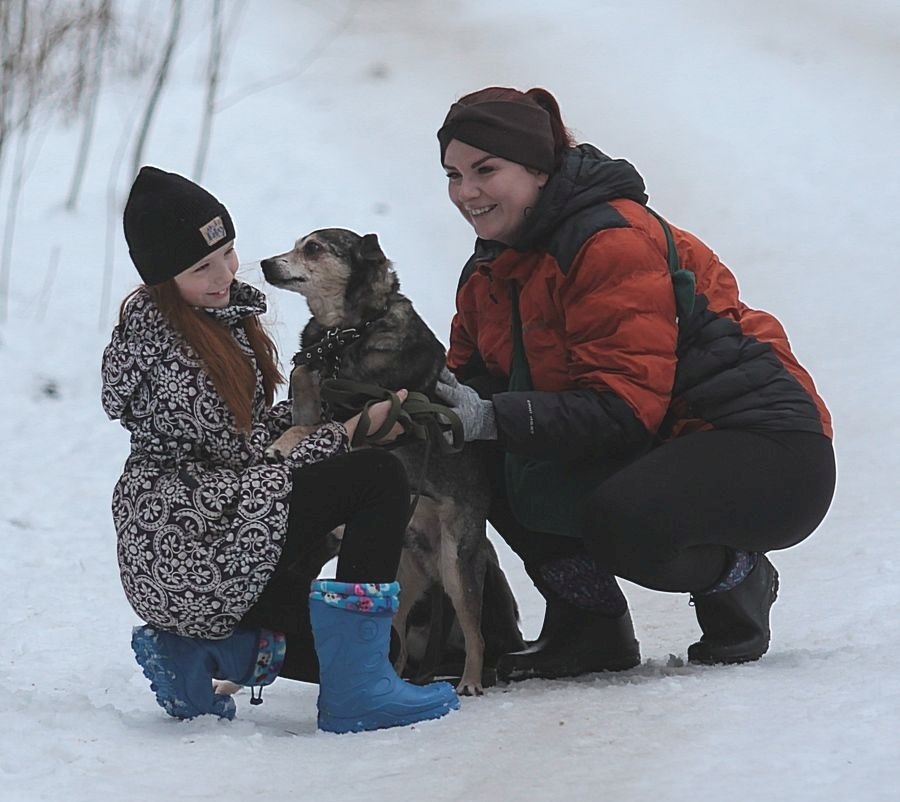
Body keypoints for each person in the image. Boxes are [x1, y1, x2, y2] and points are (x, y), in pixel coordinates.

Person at [433, 87, 835, 680]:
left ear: (539, 170)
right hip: (659, 442)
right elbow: (465, 380)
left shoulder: (609, 241)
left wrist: (491, 417)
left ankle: (741, 577)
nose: (467, 192)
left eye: (485, 170)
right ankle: (589, 628)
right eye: (453, 175)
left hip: (763, 447)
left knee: (624, 523)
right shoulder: (492, 265)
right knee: (473, 450)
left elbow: (623, 409)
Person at [102, 166, 458, 733]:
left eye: (228, 253)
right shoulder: (177, 355)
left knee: (373, 650)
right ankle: (357, 692)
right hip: (200, 551)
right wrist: (345, 433)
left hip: (188, 548)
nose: (224, 274)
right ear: (163, 278)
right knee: (376, 476)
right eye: (202, 267)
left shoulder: (197, 321)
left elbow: (233, 443)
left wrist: (309, 415)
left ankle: (201, 654)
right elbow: (247, 474)